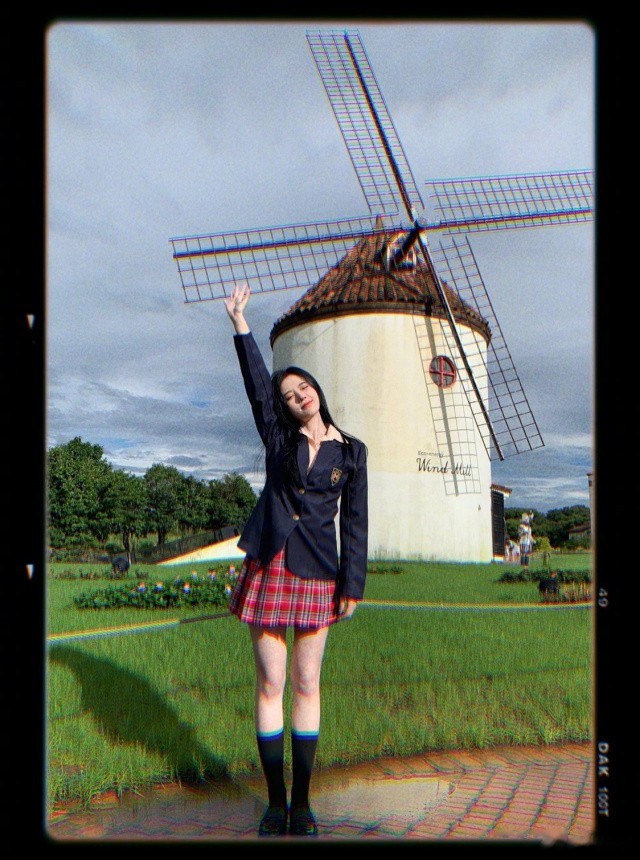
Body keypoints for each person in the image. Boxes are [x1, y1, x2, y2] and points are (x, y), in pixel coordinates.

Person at [223, 284, 368, 837]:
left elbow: (355, 522)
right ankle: (273, 803)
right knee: (271, 684)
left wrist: (352, 583)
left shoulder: (351, 451)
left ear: (317, 392)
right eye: (288, 394)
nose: (297, 395)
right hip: (270, 565)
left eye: (303, 387)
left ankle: (302, 804)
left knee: (308, 683)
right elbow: (257, 386)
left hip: (318, 572)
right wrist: (241, 324)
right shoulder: (278, 438)